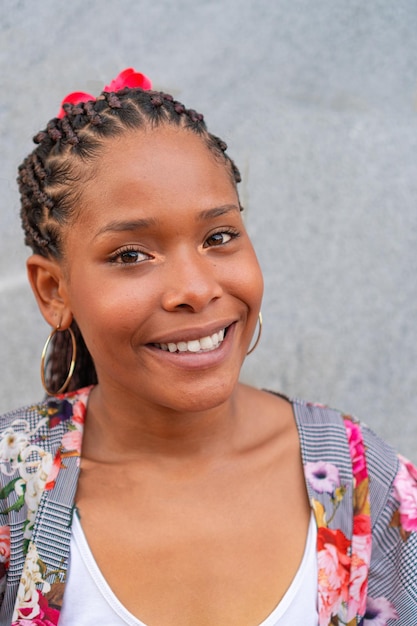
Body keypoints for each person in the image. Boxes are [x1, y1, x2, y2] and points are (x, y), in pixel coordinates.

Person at [0, 68, 416, 626]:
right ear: (55, 291)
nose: (196, 289)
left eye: (219, 237)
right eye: (130, 255)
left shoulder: (362, 481)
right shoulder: (13, 490)